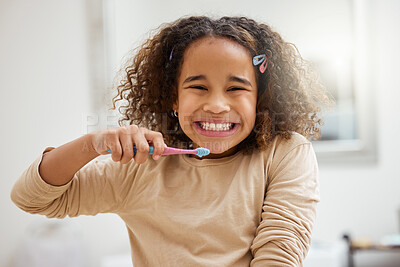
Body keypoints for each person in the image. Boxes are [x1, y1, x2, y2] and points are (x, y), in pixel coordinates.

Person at [11, 16, 332, 266]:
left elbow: (279, 257)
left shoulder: (285, 153)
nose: (217, 105)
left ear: (260, 98)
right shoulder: (141, 168)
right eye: (198, 87)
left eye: (236, 88)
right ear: (173, 99)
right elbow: (30, 198)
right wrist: (95, 143)